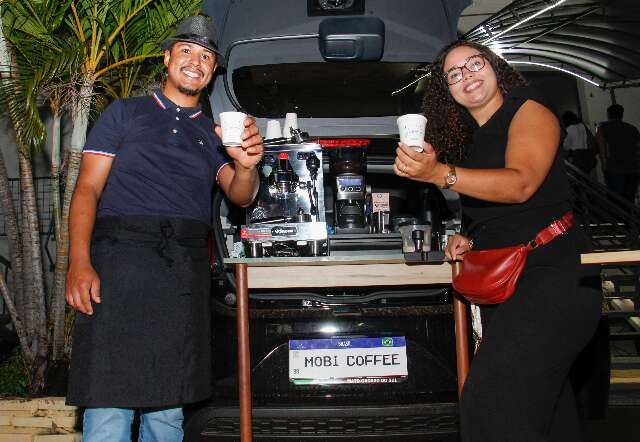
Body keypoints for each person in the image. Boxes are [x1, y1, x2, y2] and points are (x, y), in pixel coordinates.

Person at [65, 15, 264, 441]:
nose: (196, 61)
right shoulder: (124, 113)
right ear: (168, 57)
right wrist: (79, 262)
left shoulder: (214, 135)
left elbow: (241, 195)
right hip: (119, 266)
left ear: (212, 73)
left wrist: (246, 164)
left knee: (167, 410)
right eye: (187, 51)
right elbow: (86, 190)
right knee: (108, 403)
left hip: (181, 274)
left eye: (207, 56)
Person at [393, 40, 601, 441]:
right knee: (550, 417)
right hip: (516, 279)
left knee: (491, 407)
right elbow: (502, 213)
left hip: (554, 278)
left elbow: (522, 185)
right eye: (455, 74)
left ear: (495, 68)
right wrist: (470, 238)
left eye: (475, 64)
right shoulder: (472, 143)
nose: (467, 75)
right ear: (447, 92)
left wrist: (439, 174)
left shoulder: (527, 107)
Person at [596, 103, 639, 203]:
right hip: (633, 168)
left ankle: (618, 219)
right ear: (622, 114)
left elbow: (601, 144)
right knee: (629, 199)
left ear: (608, 114)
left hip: (615, 167)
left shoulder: (603, 127)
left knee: (616, 200)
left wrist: (604, 163)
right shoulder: (632, 128)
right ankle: (629, 218)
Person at [561, 110, 596, 175]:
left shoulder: (569, 129)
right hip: (587, 154)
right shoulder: (582, 126)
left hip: (576, 156)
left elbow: (566, 146)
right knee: (586, 176)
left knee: (577, 176)